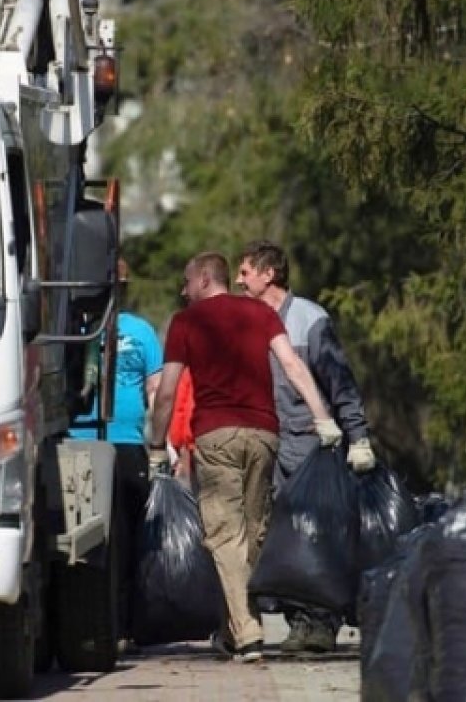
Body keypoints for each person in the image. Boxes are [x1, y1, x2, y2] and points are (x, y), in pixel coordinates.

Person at [149, 252, 341, 663]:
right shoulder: (259, 313)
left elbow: (166, 392)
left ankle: (249, 633)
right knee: (254, 532)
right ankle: (234, 627)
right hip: (265, 434)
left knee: (223, 534)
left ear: (203, 279)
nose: (183, 291)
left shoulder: (187, 322)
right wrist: (322, 416)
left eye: (186, 282)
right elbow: (292, 364)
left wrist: (154, 443)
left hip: (216, 435)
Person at [235, 239, 375, 653]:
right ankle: (299, 623)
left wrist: (358, 436)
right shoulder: (249, 321)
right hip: (268, 441)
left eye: (245, 272)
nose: (239, 280)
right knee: (283, 537)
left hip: (311, 444)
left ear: (268, 274)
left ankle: (322, 624)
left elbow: (338, 380)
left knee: (316, 534)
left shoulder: (309, 320)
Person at [69, 259, 163, 652]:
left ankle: (123, 626)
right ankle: (82, 624)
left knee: (126, 538)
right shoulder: (72, 331)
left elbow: (156, 389)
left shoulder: (141, 331)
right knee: (84, 540)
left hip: (127, 443)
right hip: (78, 440)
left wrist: (159, 443)